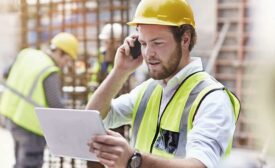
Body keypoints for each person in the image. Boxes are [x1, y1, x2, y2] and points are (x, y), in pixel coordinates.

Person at [86, 0, 240, 168]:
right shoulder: (148, 91)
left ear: (185, 39)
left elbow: (200, 165)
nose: (148, 54)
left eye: (157, 43)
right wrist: (120, 71)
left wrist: (134, 160)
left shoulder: (212, 99)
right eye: (144, 43)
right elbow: (93, 119)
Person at [0, 32, 79, 168]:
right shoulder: (50, 70)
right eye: (67, 60)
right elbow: (55, 105)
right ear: (60, 52)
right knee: (30, 164)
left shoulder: (27, 54)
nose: (65, 65)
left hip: (11, 118)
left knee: (20, 162)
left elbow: (6, 73)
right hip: (31, 126)